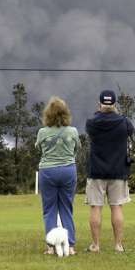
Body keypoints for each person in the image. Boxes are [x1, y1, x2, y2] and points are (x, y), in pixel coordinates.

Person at [85, 89, 134, 253]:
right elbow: (130, 131)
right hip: (118, 171)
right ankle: (118, 245)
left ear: (100, 103)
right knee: (117, 207)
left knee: (95, 208)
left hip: (97, 171)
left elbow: (90, 128)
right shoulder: (124, 122)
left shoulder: (92, 122)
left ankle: (96, 245)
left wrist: (100, 112)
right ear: (114, 104)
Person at [35, 96, 80, 255]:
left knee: (49, 209)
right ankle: (71, 246)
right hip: (68, 170)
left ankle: (51, 247)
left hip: (48, 171)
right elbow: (76, 149)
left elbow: (39, 149)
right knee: (66, 208)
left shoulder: (42, 132)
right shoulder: (73, 131)